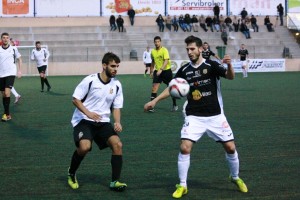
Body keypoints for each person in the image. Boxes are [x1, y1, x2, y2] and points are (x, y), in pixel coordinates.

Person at [144, 35, 248, 198]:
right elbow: (172, 87)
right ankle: (183, 185)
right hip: (194, 116)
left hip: (215, 115)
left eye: (192, 49)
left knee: (231, 147)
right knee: (185, 147)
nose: (189, 52)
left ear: (200, 49)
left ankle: (235, 177)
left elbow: (230, 76)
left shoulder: (211, 65)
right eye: (187, 49)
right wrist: (155, 101)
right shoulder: (185, 70)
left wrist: (229, 66)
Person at [67, 52, 127, 191]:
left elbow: (117, 107)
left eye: (117, 66)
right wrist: (89, 113)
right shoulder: (90, 80)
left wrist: (117, 122)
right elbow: (75, 99)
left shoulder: (117, 85)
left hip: (103, 122)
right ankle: (71, 173)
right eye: (112, 66)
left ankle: (114, 181)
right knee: (85, 147)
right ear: (104, 65)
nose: (115, 69)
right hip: (83, 120)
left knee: (117, 144)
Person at [148, 36, 177, 112]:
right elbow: (153, 62)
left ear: (160, 42)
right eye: (155, 42)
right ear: (154, 42)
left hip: (166, 71)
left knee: (171, 89)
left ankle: (174, 104)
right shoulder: (153, 51)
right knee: (154, 88)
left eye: (158, 41)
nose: (157, 43)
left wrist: (161, 69)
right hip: (157, 72)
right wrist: (151, 71)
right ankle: (151, 106)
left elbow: (166, 61)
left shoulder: (164, 50)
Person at [0, 32, 22, 121]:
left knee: (7, 92)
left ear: (9, 39)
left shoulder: (13, 49)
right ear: (1, 39)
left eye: (7, 38)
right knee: (3, 95)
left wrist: (20, 70)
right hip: (1, 74)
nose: (5, 39)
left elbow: (20, 59)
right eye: (4, 38)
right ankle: (6, 113)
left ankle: (7, 114)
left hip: (10, 73)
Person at [9, 38, 21, 103]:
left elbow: (19, 59)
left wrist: (19, 71)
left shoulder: (14, 48)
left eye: (12, 41)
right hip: (5, 70)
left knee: (8, 85)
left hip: (12, 69)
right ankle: (17, 95)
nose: (10, 42)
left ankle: (16, 95)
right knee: (8, 85)